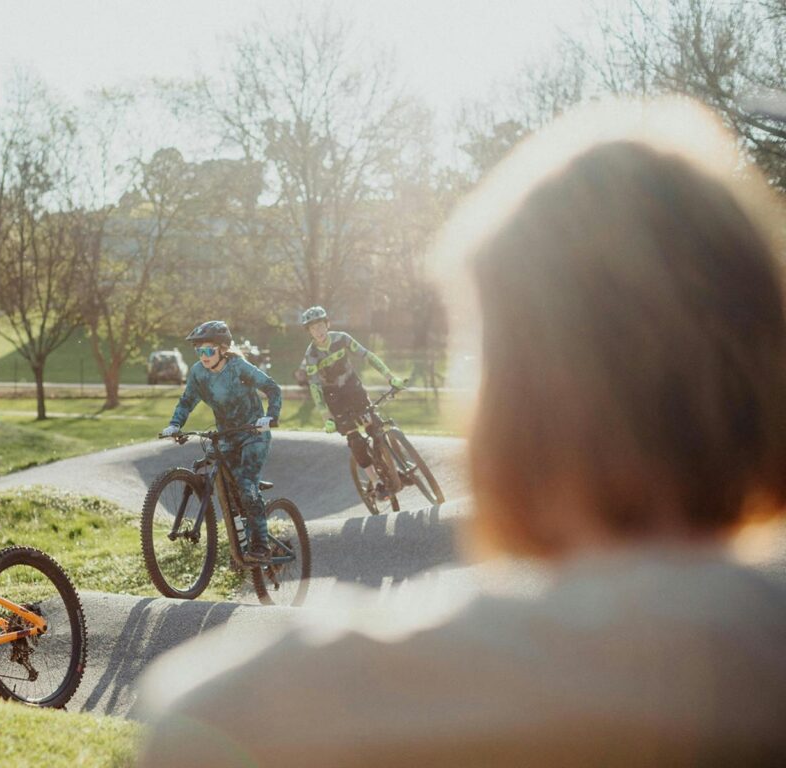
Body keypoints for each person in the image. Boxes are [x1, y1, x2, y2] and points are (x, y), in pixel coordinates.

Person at [137, 98, 786, 765]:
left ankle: (264, 533)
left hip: (323, 416)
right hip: (337, 411)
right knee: (354, 441)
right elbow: (231, 389)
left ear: (507, 399)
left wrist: (291, 408)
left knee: (258, 477)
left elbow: (185, 721)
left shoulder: (261, 707)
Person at [161, 321, 282, 563]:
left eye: (209, 350)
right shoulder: (198, 372)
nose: (203, 356)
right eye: (199, 351)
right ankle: (241, 546)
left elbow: (272, 388)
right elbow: (187, 401)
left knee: (246, 485)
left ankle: (261, 545)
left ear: (223, 349)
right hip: (227, 437)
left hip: (253, 433)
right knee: (230, 492)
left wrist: (270, 416)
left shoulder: (238, 367)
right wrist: (175, 424)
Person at [300, 306, 405, 500]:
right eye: (313, 329)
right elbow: (315, 387)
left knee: (375, 427)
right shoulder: (311, 355)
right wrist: (327, 418)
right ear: (309, 332)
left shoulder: (342, 338)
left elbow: (368, 355)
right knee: (355, 440)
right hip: (334, 398)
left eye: (321, 326)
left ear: (327, 324)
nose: (319, 331)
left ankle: (398, 468)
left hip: (353, 388)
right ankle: (376, 482)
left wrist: (390, 377)